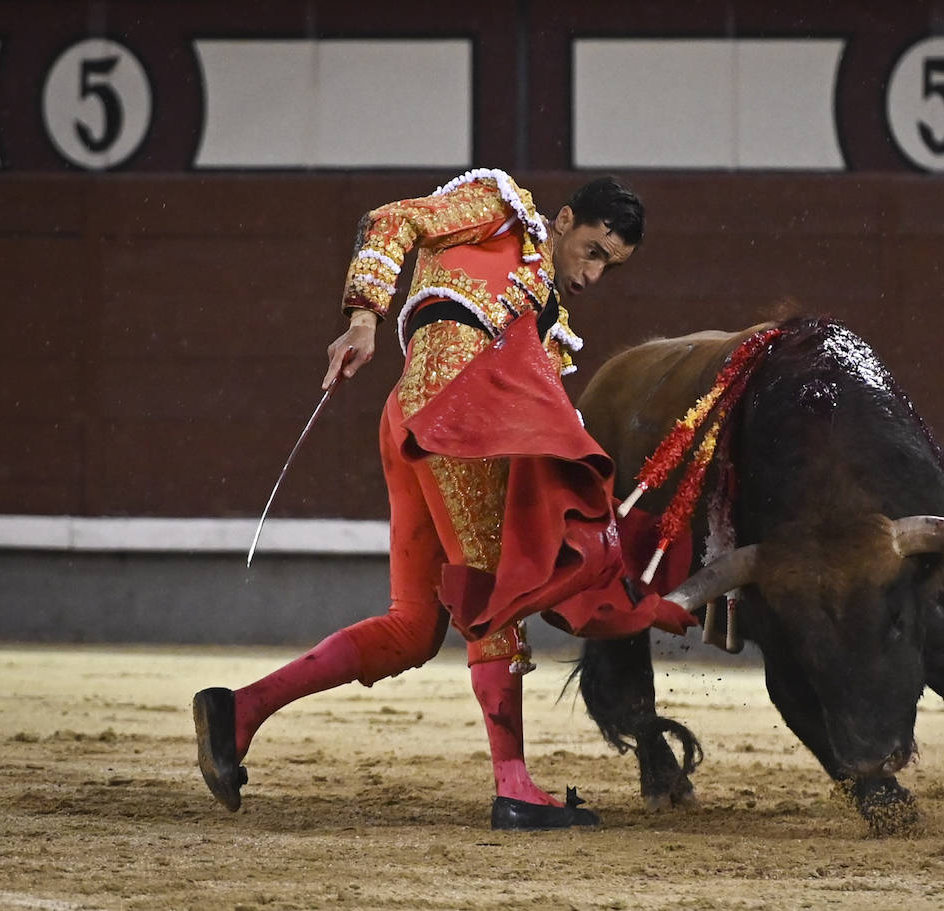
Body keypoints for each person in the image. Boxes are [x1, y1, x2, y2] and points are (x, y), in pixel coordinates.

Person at [193, 169, 694, 830]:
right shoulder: (499, 208)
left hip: (417, 417)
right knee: (495, 592)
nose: (594, 274)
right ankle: (514, 787)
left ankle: (240, 711)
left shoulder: (548, 318)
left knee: (412, 628)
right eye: (595, 251)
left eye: (611, 267)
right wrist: (365, 316)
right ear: (565, 220)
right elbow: (392, 218)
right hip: (454, 419)